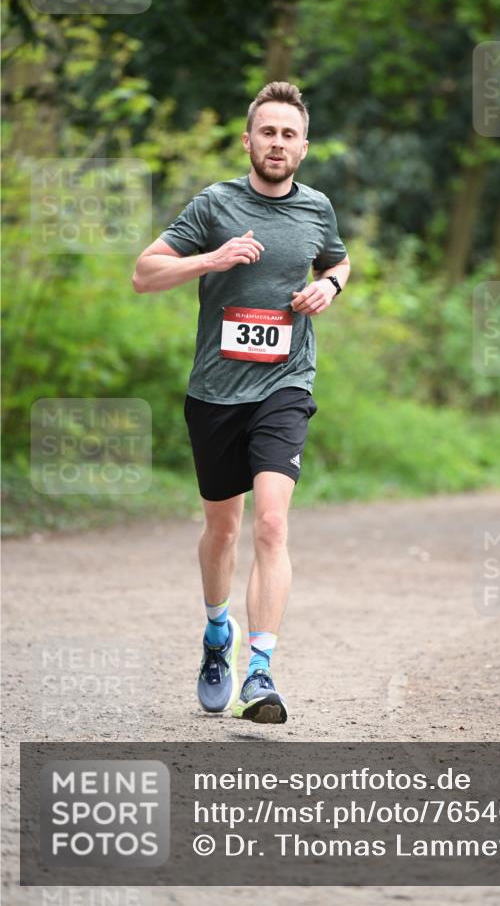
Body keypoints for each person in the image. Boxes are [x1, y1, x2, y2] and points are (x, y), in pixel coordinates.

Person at [132, 82, 350, 722]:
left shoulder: (317, 210)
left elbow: (340, 261)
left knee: (273, 523)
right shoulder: (215, 205)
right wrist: (210, 259)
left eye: (289, 134)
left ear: (303, 148)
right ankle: (216, 632)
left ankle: (260, 671)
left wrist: (330, 287)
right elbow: (144, 274)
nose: (277, 143)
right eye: (268, 132)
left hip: (286, 383)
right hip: (215, 393)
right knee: (222, 529)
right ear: (248, 140)